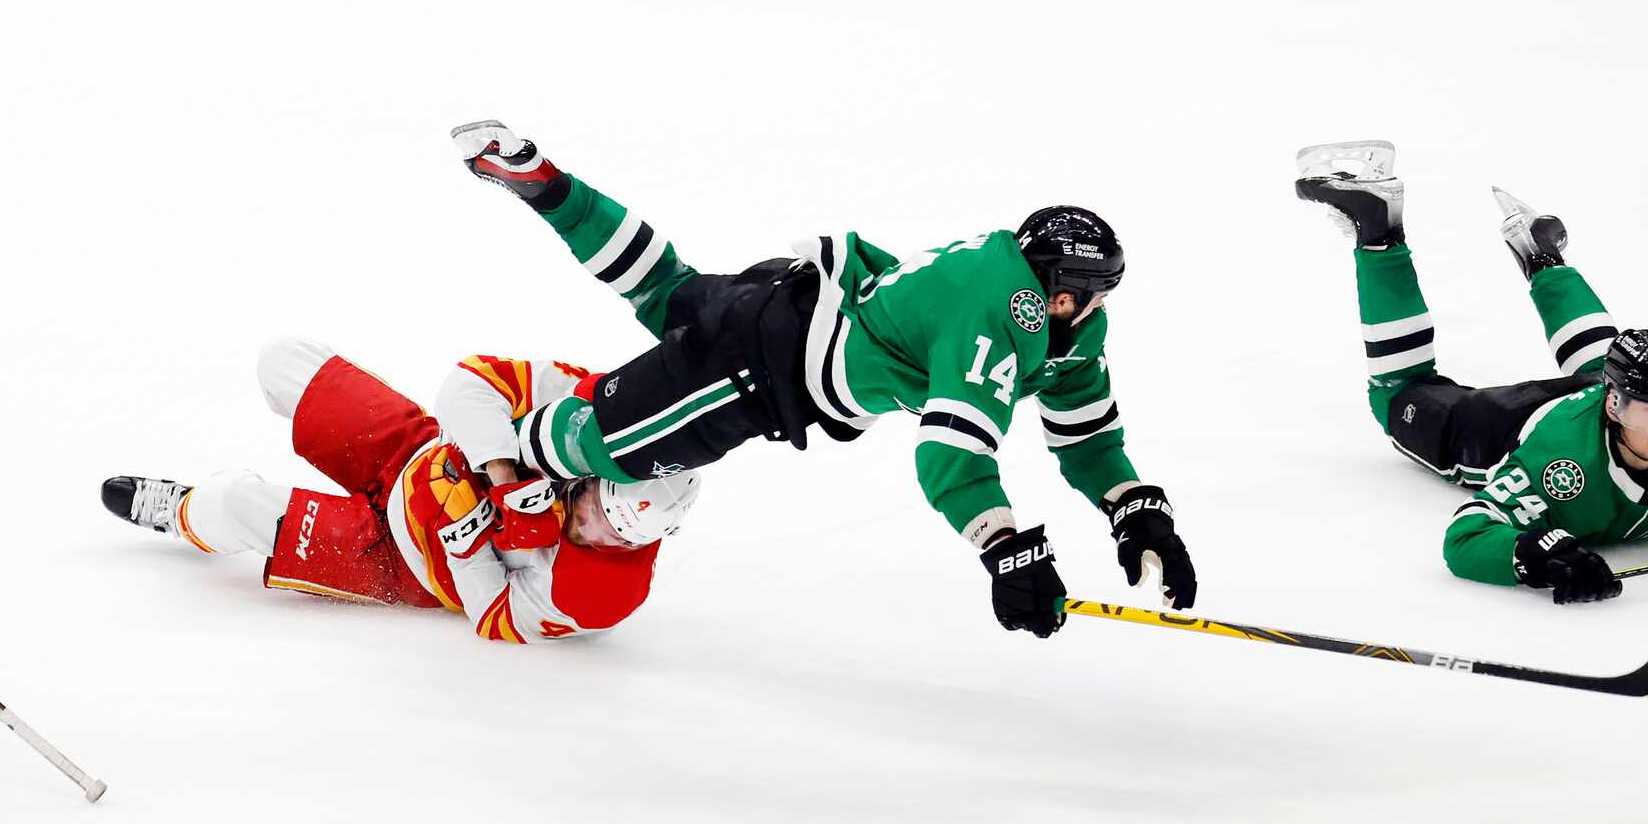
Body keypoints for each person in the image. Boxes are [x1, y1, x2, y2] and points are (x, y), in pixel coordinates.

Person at [448, 120, 1198, 639]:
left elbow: (1087, 431)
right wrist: (1006, 549)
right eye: (1093, 292)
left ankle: (547, 184)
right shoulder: (1001, 310)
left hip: (782, 313)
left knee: (659, 283)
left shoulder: (1041, 310)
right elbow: (951, 455)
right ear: (1059, 290)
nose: (1099, 309)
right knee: (600, 452)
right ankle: (463, 474)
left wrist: (1134, 512)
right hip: (755, 370)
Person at [1292, 140, 1648, 602]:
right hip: (1506, 425)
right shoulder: (1556, 459)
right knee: (1399, 395)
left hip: (1594, 391)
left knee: (1609, 363)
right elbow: (1467, 537)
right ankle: (1378, 228)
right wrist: (1530, 555)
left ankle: (1541, 254)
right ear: (1613, 407)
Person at [101, 338, 701, 642]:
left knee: (230, 503)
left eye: (607, 535)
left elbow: (493, 617)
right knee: (286, 360)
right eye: (592, 506)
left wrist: (468, 544)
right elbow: (472, 382)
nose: (585, 527)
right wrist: (499, 473)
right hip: (415, 452)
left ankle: (183, 512)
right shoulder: (588, 405)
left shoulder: (602, 594)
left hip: (400, 558)